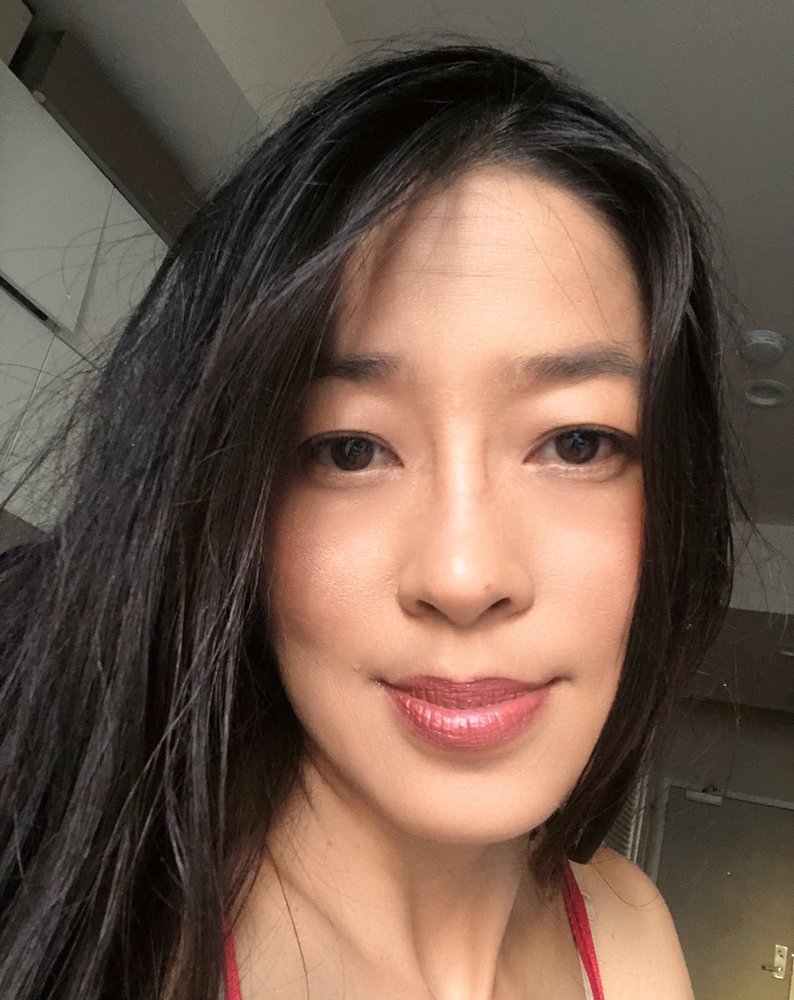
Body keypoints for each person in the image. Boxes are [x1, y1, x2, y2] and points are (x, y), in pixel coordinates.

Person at [0, 43, 733, 1000]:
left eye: (577, 443)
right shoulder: (102, 941)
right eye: (350, 449)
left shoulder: (630, 931)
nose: (464, 576)